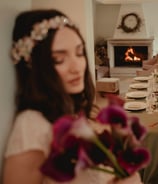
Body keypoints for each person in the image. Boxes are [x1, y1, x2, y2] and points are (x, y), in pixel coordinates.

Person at [2, 9, 142, 184]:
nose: (76, 67)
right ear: (35, 65)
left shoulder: (72, 109)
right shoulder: (31, 126)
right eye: (59, 60)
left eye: (79, 53)